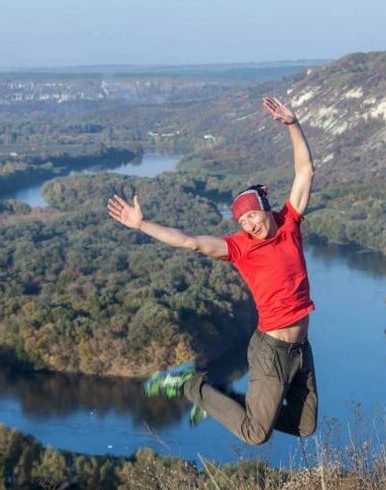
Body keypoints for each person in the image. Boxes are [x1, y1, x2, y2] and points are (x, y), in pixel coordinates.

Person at [106, 96, 317, 445]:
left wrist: (293, 125)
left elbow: (305, 171)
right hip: (272, 351)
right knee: (254, 434)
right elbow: (190, 241)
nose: (249, 223)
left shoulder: (289, 223)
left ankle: (218, 396)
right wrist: (142, 225)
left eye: (253, 214)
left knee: (304, 426)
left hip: (301, 349)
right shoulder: (239, 247)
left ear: (266, 208)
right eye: (243, 219)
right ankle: (192, 385)